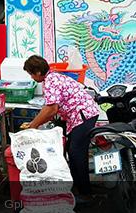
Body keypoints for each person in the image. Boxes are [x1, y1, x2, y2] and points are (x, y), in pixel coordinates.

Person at [21, 55, 99, 201]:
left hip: (84, 115)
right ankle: (78, 187)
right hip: (80, 116)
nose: (31, 77)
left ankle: (86, 194)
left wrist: (33, 125)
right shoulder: (52, 78)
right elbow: (51, 109)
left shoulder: (51, 80)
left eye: (31, 73)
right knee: (71, 150)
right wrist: (35, 123)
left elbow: (51, 109)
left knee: (77, 153)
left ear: (38, 72)